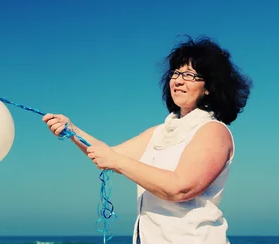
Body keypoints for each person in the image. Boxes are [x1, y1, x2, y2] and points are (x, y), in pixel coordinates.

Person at [42, 35, 252, 244]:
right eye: (176, 73)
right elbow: (107, 155)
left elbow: (181, 188)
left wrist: (117, 162)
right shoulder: (160, 132)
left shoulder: (213, 131)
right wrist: (72, 129)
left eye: (189, 75)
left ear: (209, 87)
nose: (178, 80)